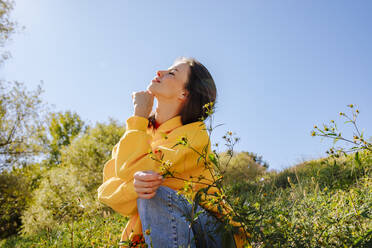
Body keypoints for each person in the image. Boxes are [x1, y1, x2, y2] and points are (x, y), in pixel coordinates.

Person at [97, 57, 247, 248]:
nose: (159, 72)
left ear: (184, 93)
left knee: (154, 194)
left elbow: (136, 173)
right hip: (162, 235)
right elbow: (106, 190)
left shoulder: (195, 134)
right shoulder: (140, 132)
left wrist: (139, 116)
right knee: (150, 195)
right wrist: (135, 188)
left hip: (214, 233)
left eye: (172, 73)